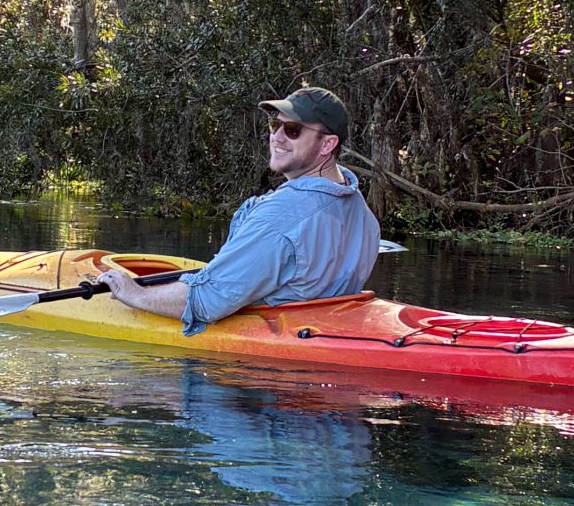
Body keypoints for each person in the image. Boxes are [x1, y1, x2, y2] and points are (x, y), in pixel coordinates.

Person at [101, 87, 381, 333]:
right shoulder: (364, 214)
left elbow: (207, 301)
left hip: (258, 372)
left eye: (293, 130)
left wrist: (134, 294)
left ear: (328, 144)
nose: (278, 137)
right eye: (275, 125)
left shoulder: (280, 217)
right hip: (320, 337)